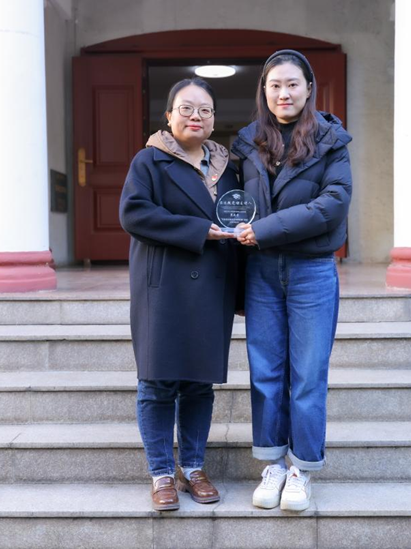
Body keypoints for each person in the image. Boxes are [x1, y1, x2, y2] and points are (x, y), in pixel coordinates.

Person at [231, 49, 352, 511]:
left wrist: (263, 230)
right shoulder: (247, 143)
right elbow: (230, 200)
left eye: (292, 84)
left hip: (312, 270)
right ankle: (273, 464)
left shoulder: (331, 141)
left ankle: (302, 468)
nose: (284, 93)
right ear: (264, 91)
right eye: (275, 85)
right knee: (265, 373)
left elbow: (332, 204)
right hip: (261, 272)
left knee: (307, 375)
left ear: (309, 88)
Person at [119, 78, 242, 512]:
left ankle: (193, 468)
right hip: (164, 286)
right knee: (157, 383)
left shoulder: (228, 166)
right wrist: (198, 230)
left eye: (205, 110)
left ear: (213, 119)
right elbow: (134, 213)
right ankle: (161, 473)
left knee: (198, 385)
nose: (196, 117)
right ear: (169, 115)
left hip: (212, 285)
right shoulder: (149, 160)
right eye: (186, 108)